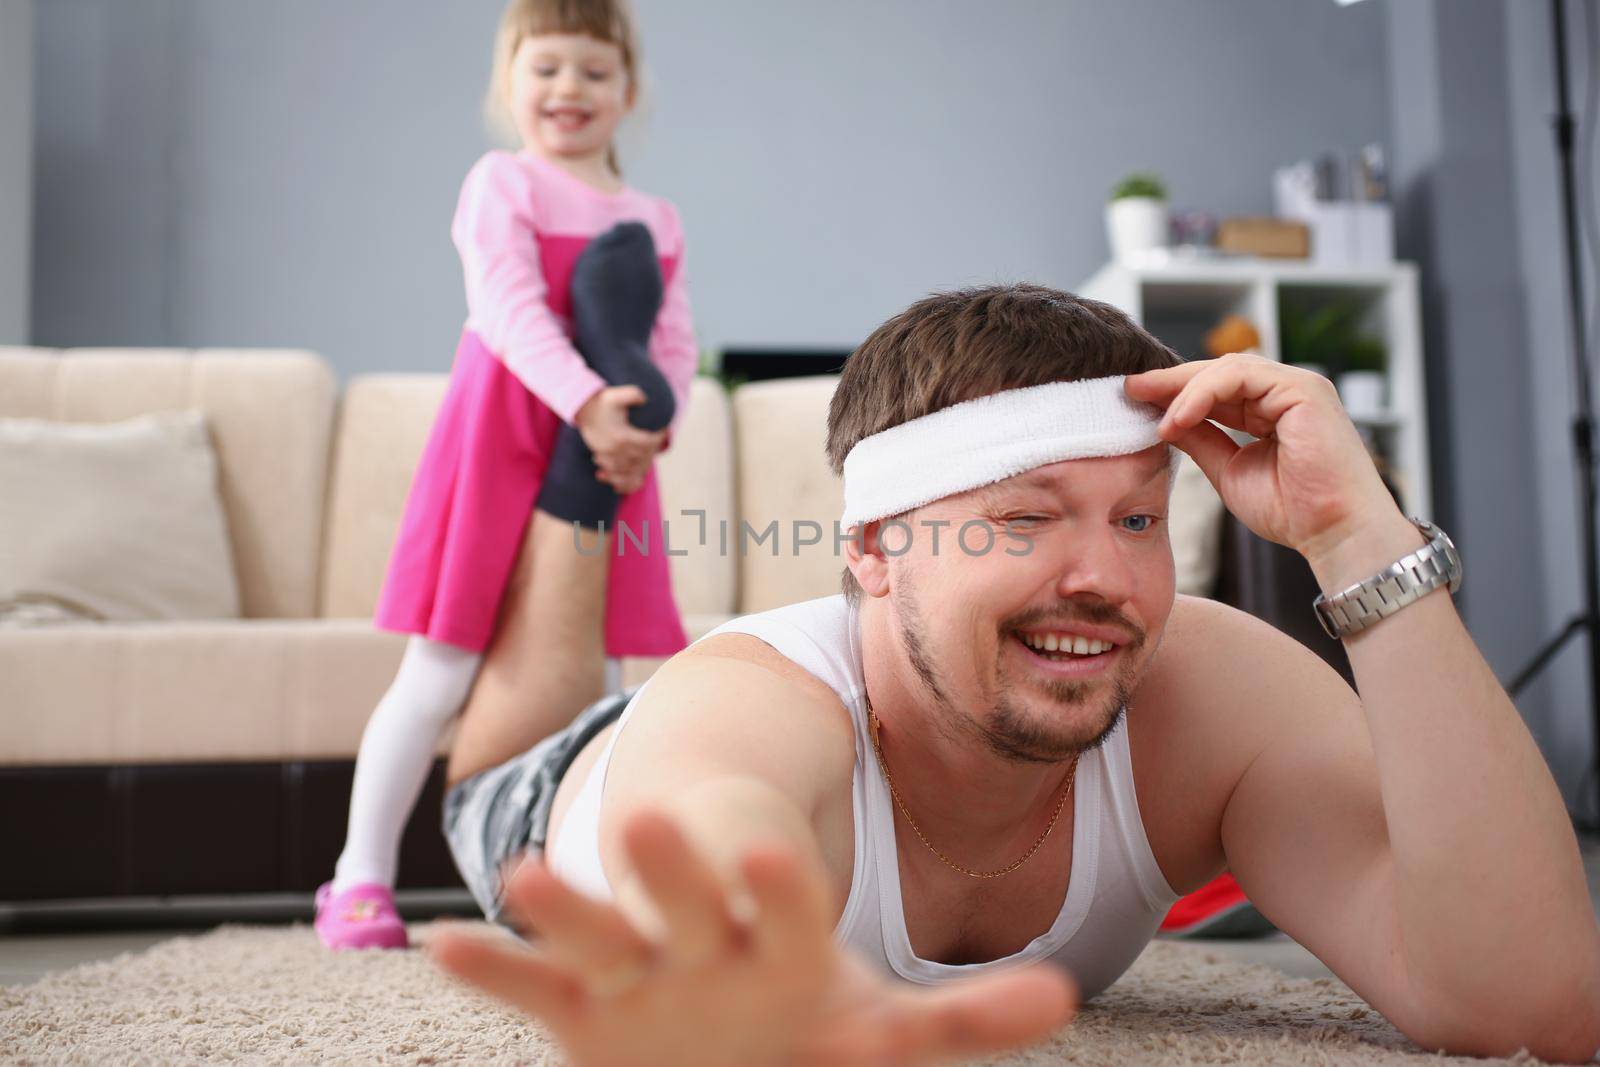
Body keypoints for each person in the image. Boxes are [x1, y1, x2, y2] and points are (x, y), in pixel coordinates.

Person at [430, 285, 1600, 1065]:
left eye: (1139, 517)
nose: (1105, 576)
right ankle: (568, 475)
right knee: (508, 705)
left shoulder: (1212, 684)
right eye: (1025, 515)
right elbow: (716, 846)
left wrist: (1359, 535)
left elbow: (1525, 1000)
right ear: (874, 545)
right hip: (556, 785)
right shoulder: (751, 717)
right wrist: (729, 971)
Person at [315, 0, 698, 950]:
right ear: (508, 83)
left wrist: (651, 425)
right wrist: (586, 403)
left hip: (610, 455)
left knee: (596, 669)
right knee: (438, 667)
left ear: (629, 92)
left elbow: (675, 341)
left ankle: (581, 871)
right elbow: (508, 308)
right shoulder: (501, 184)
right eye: (548, 68)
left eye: (594, 72)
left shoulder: (653, 218)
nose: (570, 89)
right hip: (505, 441)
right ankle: (358, 876)